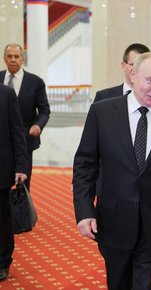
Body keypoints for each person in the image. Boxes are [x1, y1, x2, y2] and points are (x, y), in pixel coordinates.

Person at [72, 53, 151, 289]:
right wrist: (84, 210)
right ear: (133, 75)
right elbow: (85, 164)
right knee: (118, 282)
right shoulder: (102, 112)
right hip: (113, 219)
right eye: (150, 80)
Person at [1, 43, 50, 192]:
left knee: (22, 181)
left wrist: (38, 125)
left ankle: (21, 213)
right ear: (4, 59)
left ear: (22, 59)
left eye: (16, 56)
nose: (13, 60)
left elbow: (44, 110)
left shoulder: (35, 82)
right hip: (3, 140)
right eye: (9, 56)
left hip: (26, 138)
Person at [0, 84, 28, 282]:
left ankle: (2, 261)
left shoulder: (6, 93)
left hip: (1, 168)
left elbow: (17, 131)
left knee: (1, 218)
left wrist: (21, 166)